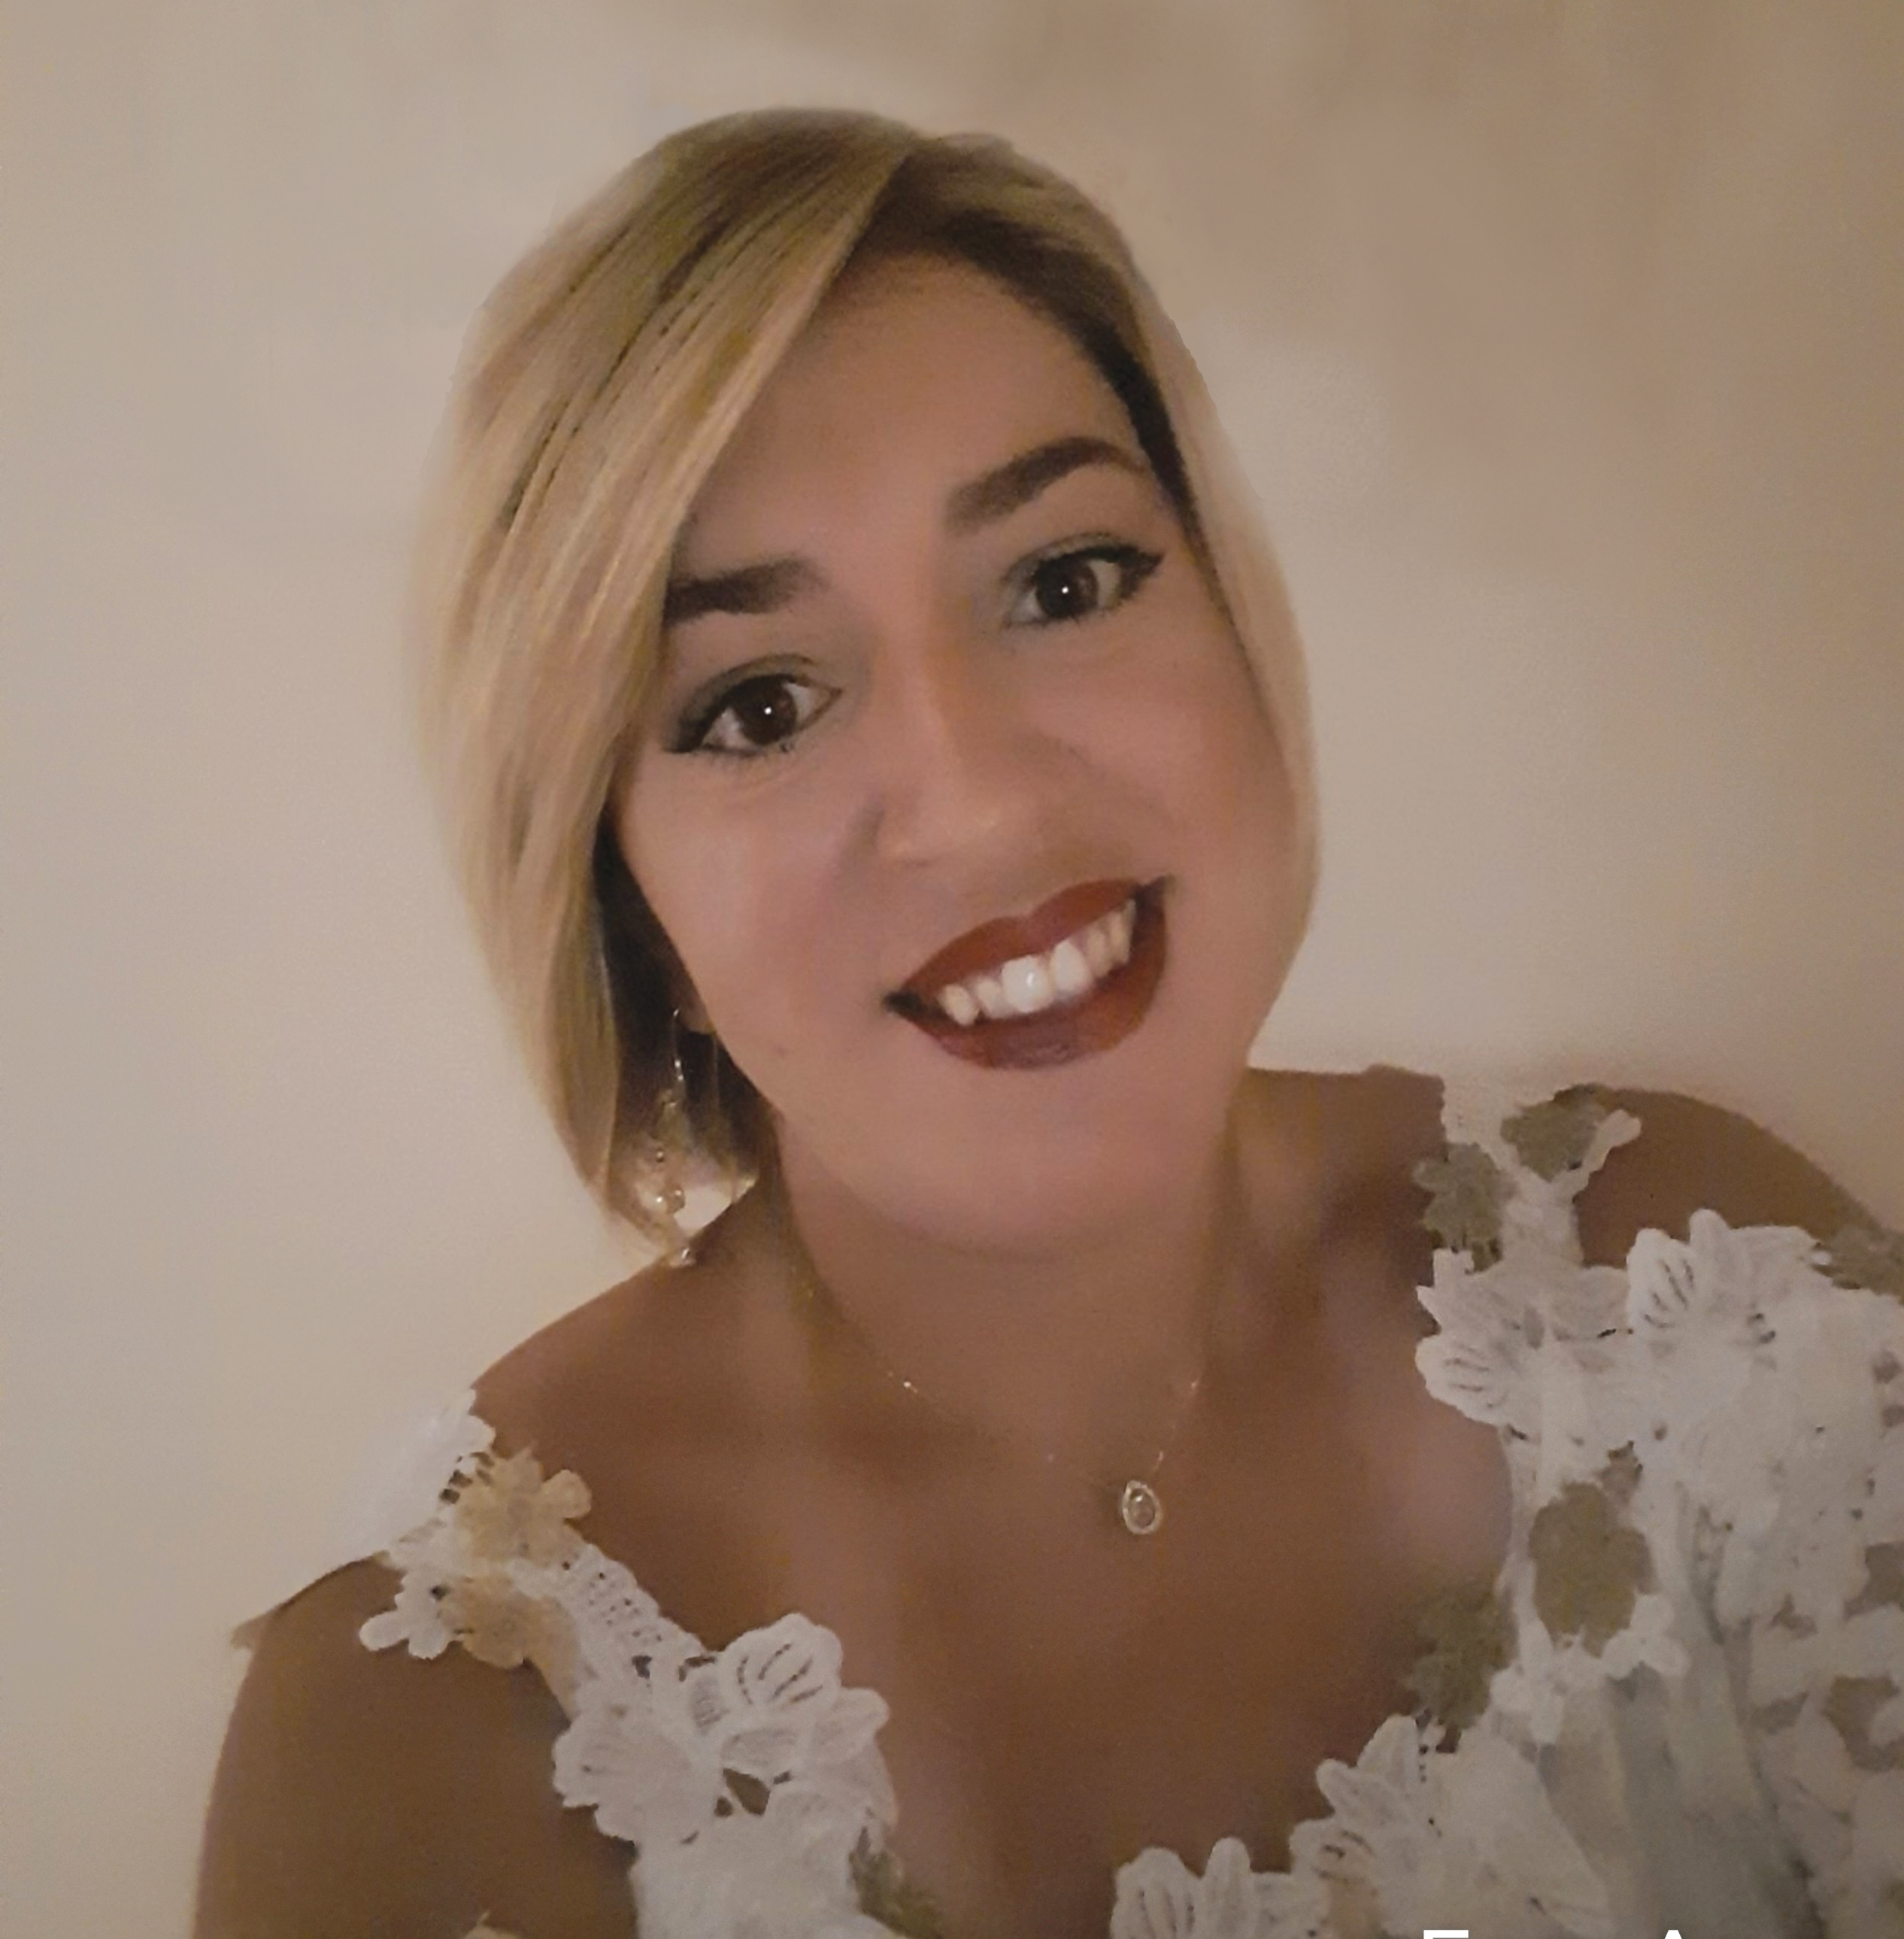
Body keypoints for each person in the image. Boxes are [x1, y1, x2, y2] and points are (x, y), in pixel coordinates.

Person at [195, 108, 1904, 1939]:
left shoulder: (1691, 1304)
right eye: (761, 704)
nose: (984, 800)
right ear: (626, 905)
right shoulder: (441, 1732)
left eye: (1064, 582)